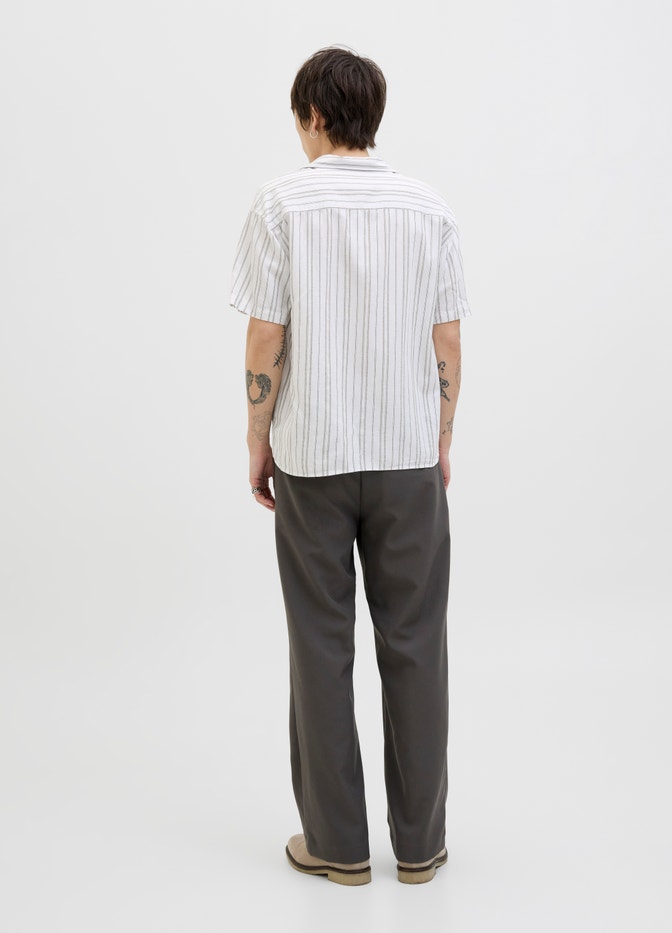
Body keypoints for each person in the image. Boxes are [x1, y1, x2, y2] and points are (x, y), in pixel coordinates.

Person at [228, 46, 471, 885]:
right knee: (417, 643)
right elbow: (448, 340)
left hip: (313, 458)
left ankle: (337, 846)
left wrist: (257, 438)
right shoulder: (428, 207)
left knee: (320, 645)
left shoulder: (281, 203)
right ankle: (421, 846)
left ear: (314, 115)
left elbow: (266, 337)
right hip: (407, 458)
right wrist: (441, 436)